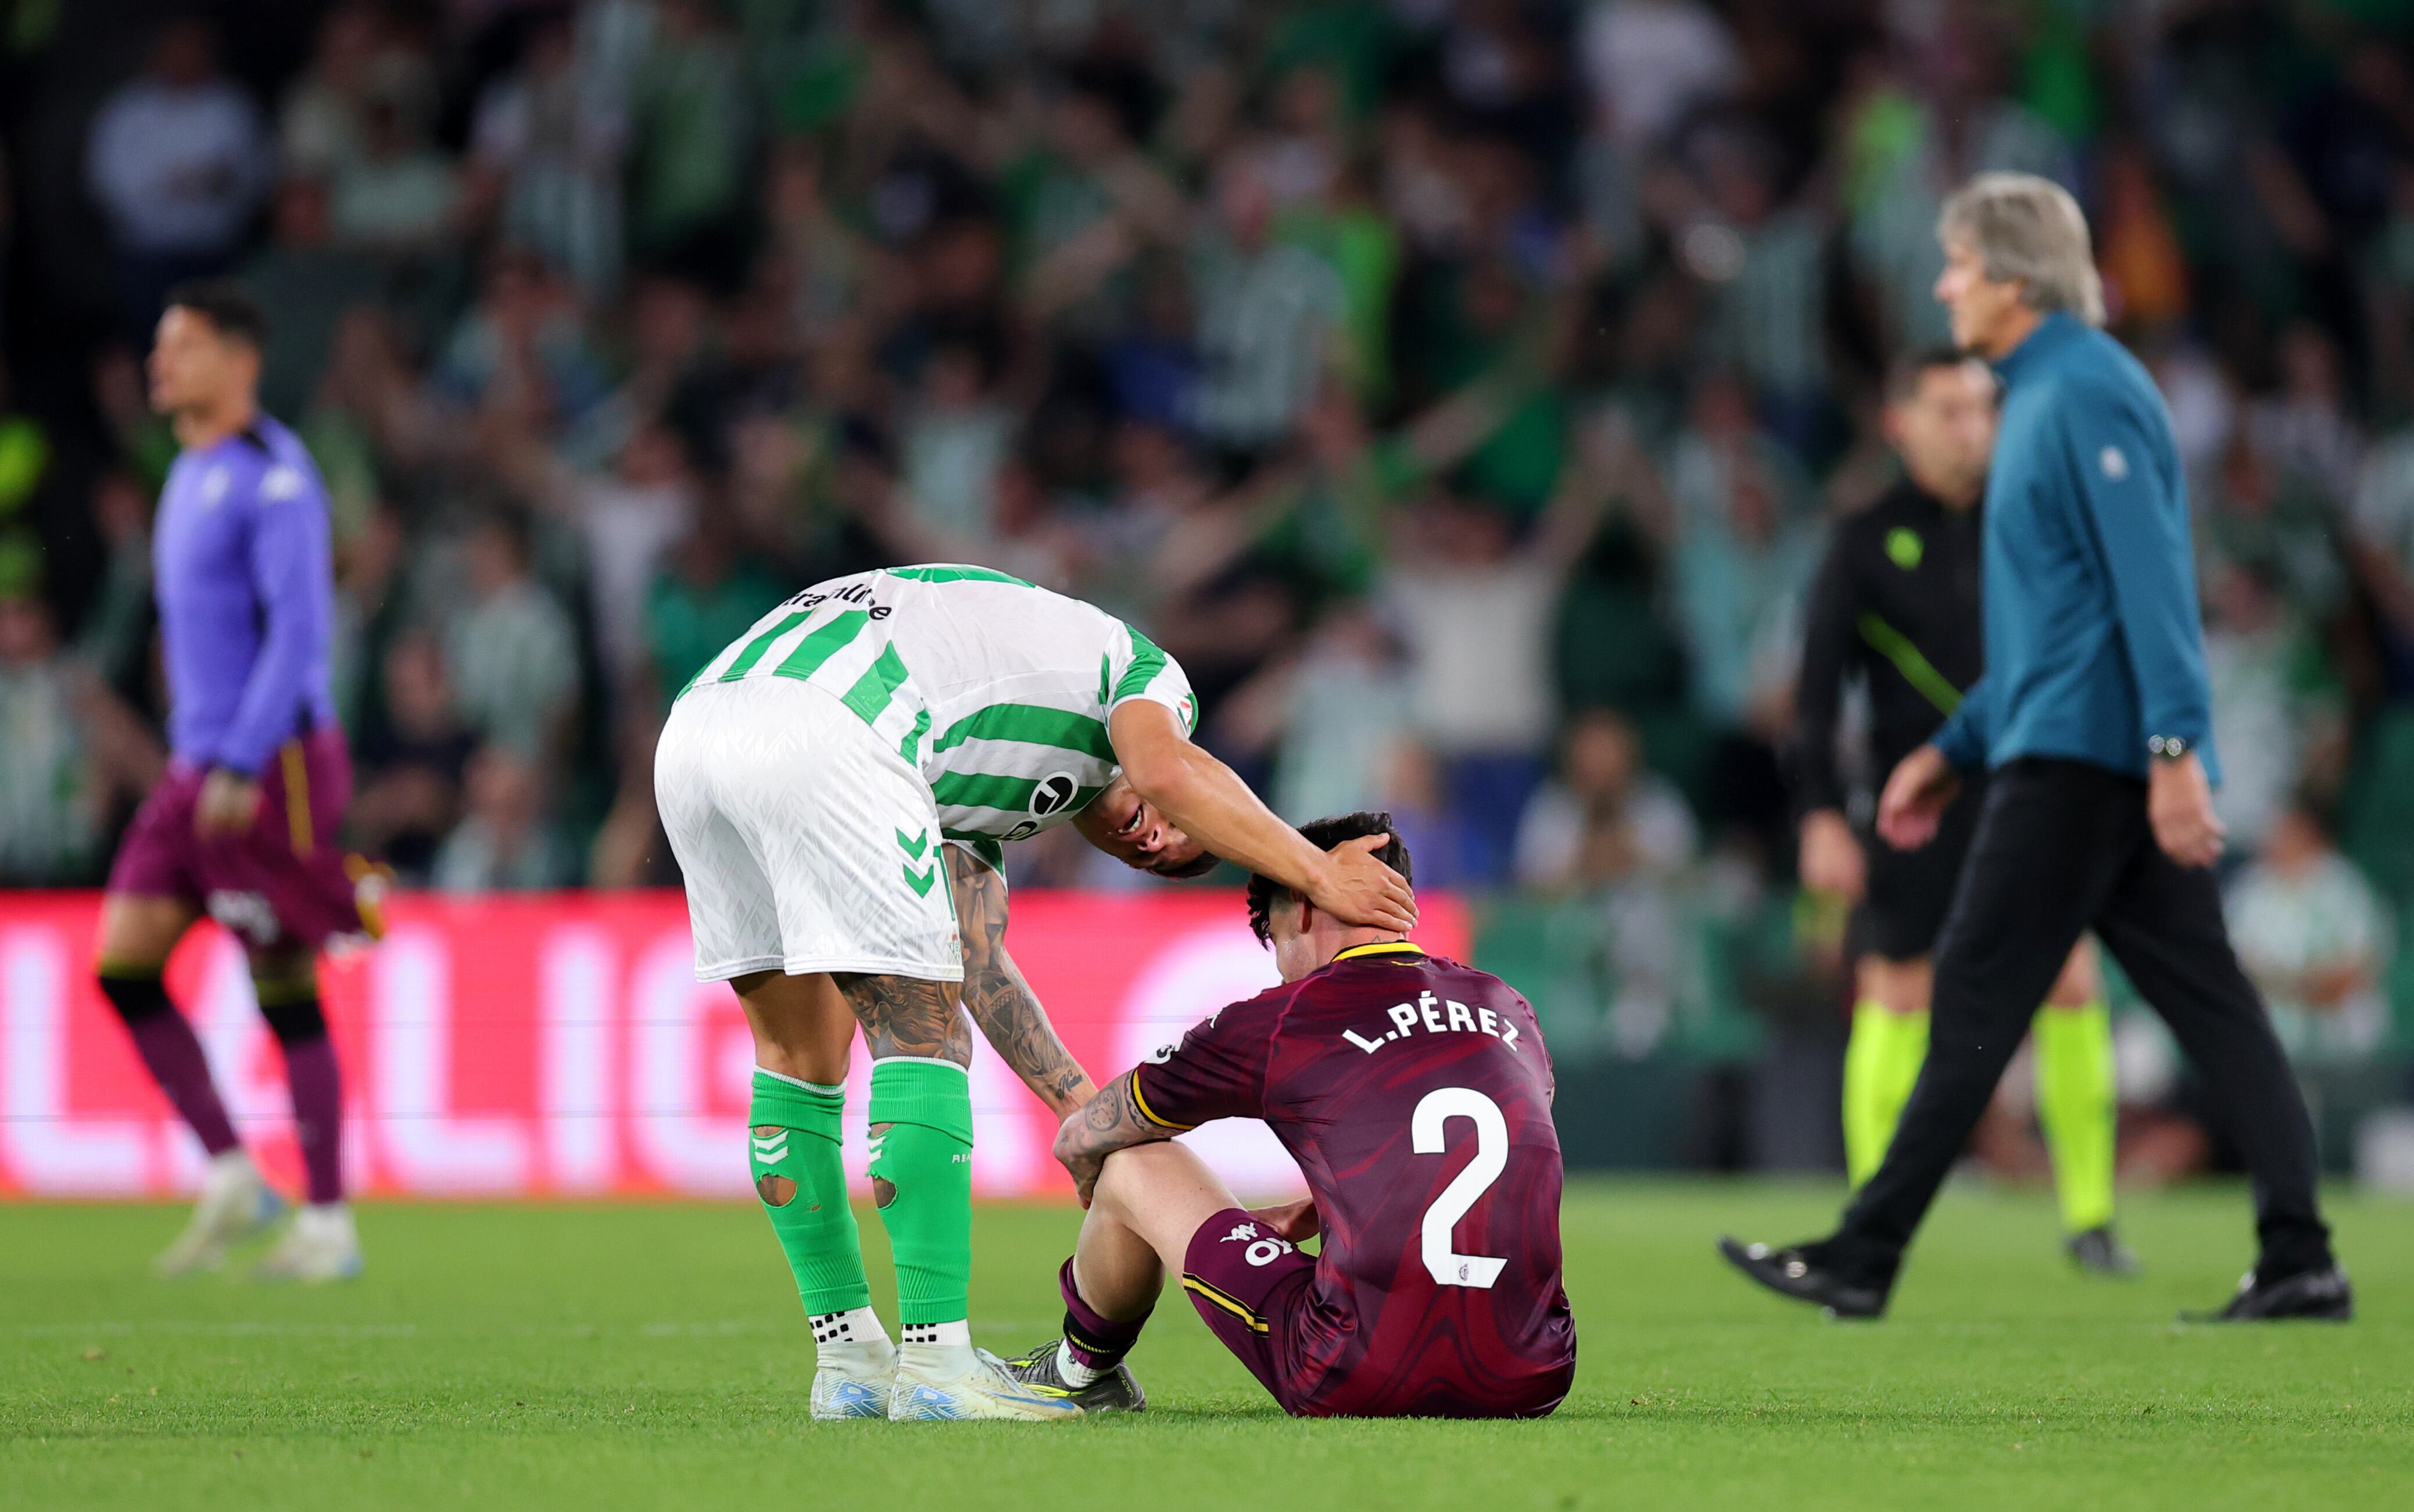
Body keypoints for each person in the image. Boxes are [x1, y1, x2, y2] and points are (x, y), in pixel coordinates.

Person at [1721, 174, 2347, 1323]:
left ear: (2014, 277)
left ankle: (1863, 1251)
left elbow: (2150, 583)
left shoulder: (2083, 392)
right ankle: (2298, 1252)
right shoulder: (2049, 396)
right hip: (2072, 745)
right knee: (2207, 1000)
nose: (1942, 285)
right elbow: (2054, 628)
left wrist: (2173, 746)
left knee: (1971, 990)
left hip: (2079, 765)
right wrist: (1952, 748)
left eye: (1959, 263)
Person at [653, 566, 1416, 1422]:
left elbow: (978, 960)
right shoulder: (1149, 681)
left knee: (798, 1054)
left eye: (1158, 859)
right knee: (923, 1035)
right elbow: (1166, 768)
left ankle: (850, 1360)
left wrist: (1087, 1122)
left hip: (700, 726)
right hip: (835, 721)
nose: (1156, 838)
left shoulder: (987, 773)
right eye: (1179, 828)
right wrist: (1315, 871)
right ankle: (937, 1363)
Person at [1013, 812, 1574, 1418]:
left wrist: (1092, 1179)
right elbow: (1484, 1150)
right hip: (1533, 1374)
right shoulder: (1507, 1007)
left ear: (1302, 909)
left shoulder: (1287, 1017)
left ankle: (1080, 1370)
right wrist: (1322, 1207)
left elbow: (1089, 1133)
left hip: (1354, 1373)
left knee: (1130, 1163)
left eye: (1275, 940)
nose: (1281, 969)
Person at [1793, 348, 2129, 1274]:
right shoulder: (1863, 538)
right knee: (1896, 988)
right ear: (1899, 423)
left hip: (2031, 787)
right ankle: (1869, 1224)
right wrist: (1819, 815)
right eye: (1947, 410)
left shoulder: (2034, 521)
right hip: (1915, 802)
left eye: (1982, 407)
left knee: (2069, 980)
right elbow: (1815, 698)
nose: (1971, 427)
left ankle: (2091, 1215)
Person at [94, 282, 386, 1283]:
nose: (159, 362)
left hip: (270, 767)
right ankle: (230, 1171)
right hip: (196, 766)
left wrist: (243, 756)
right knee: (122, 965)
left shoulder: (277, 479)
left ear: (239, 359)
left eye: (181, 345)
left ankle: (329, 1223)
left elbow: (302, 633)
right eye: (160, 344)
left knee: (283, 983)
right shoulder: (189, 468)